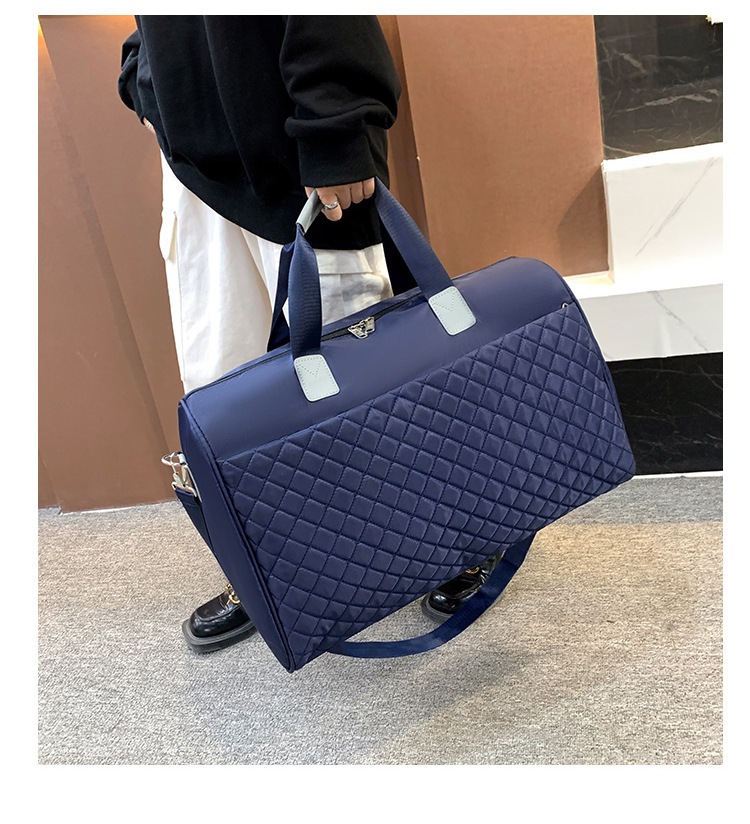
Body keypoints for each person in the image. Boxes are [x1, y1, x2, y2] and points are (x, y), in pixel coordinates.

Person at [118, 15, 502, 654]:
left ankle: (458, 533)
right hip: (194, 169)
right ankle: (274, 566)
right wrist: (143, 73)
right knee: (225, 381)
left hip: (299, 148)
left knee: (371, 371)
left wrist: (337, 122)